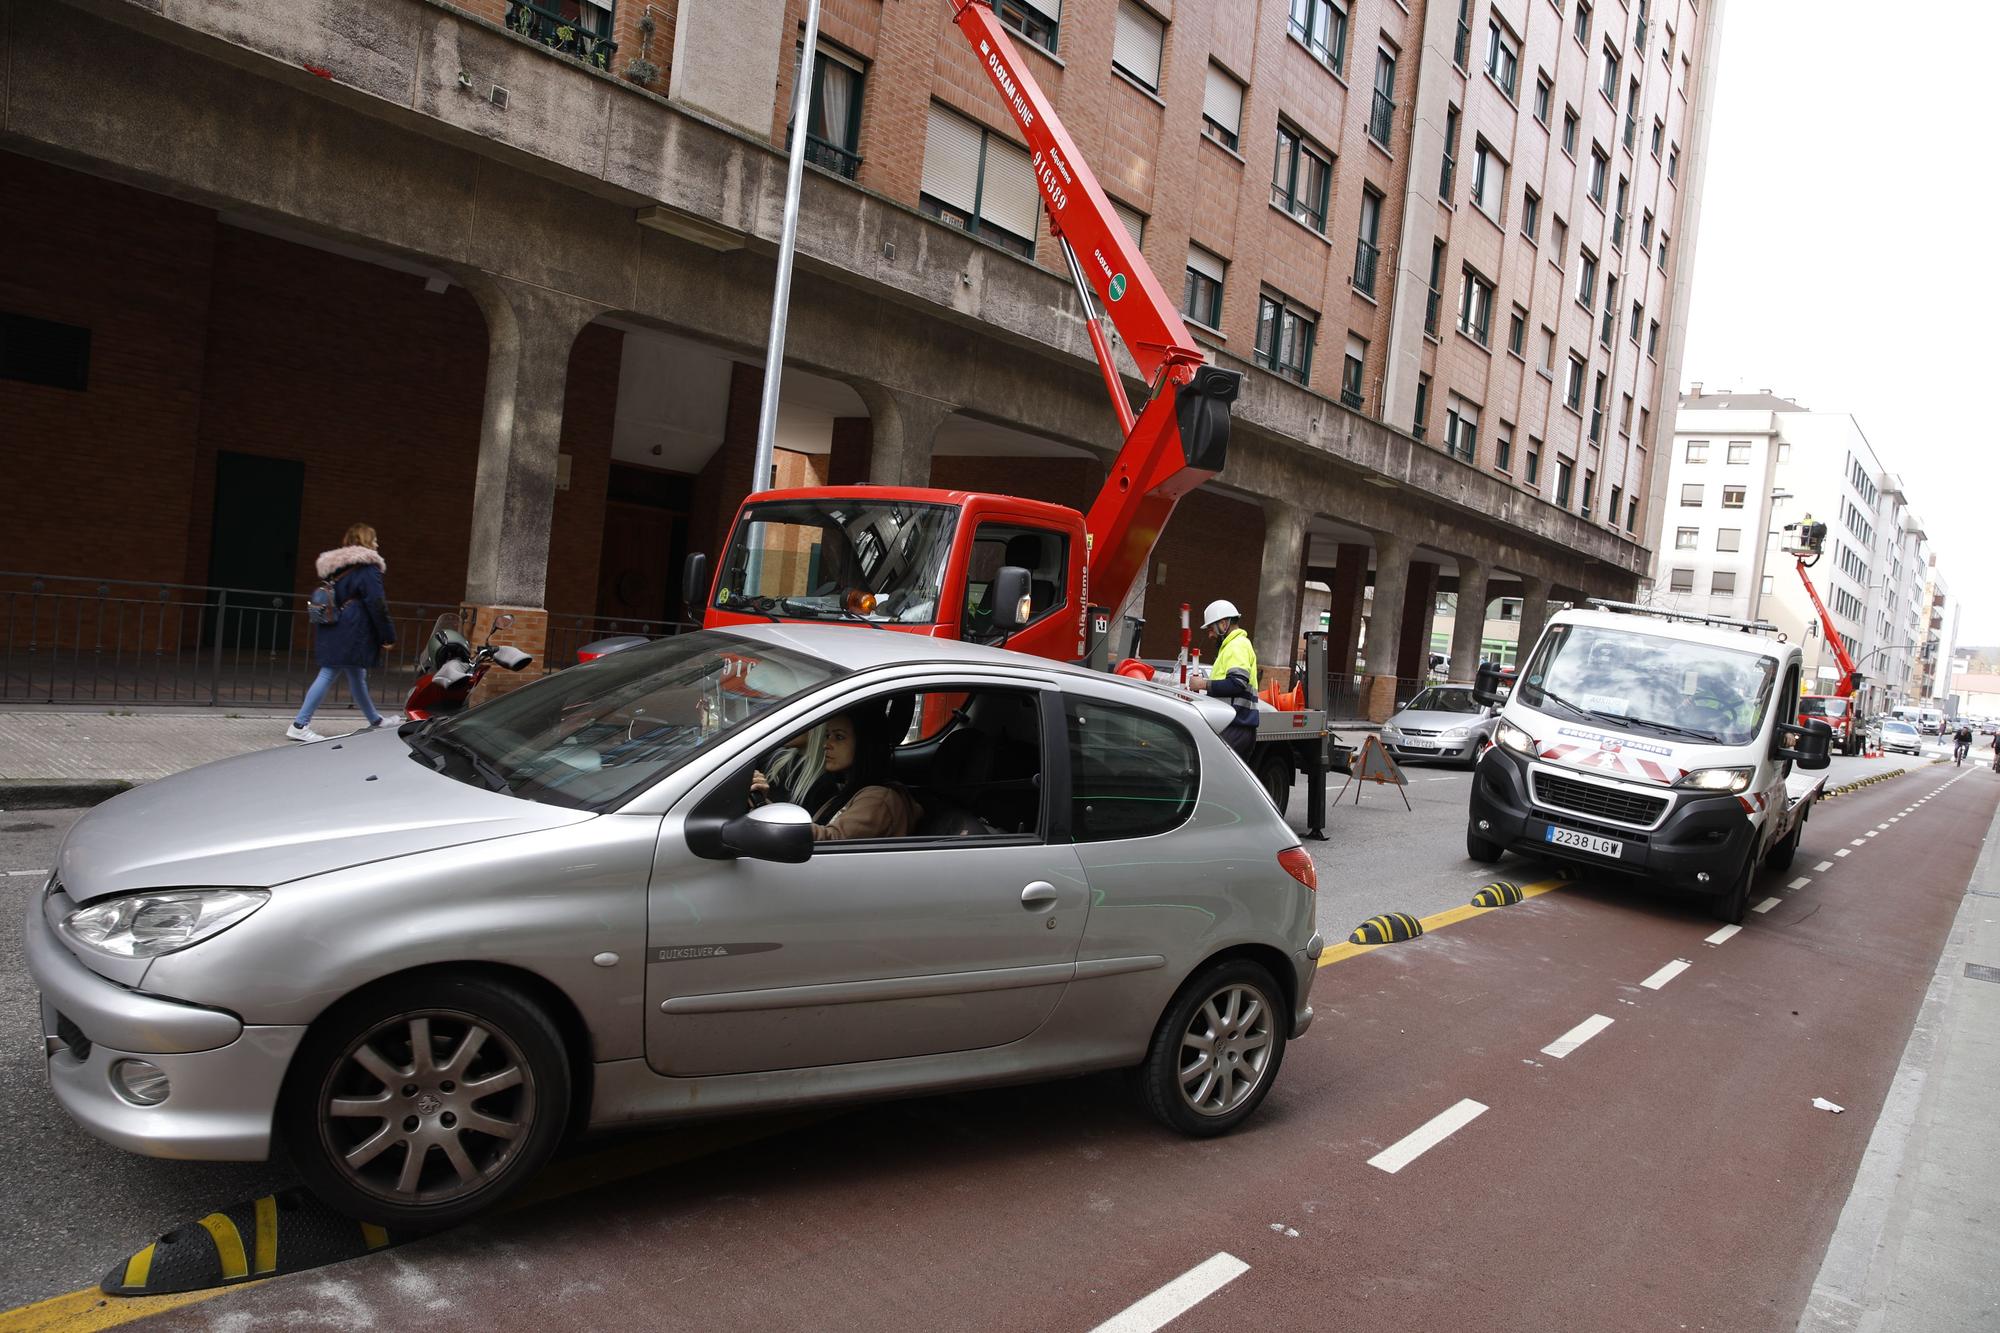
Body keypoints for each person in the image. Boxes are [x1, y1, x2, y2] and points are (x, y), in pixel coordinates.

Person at [288, 524, 397, 741]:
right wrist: (387, 635)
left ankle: (375, 720)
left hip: (336, 625)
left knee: (356, 674)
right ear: (366, 541)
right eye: (374, 539)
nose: (377, 544)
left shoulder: (337, 567)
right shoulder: (368, 568)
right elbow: (377, 603)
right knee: (329, 672)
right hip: (353, 629)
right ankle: (299, 725)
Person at [751, 706, 918, 840]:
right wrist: (763, 804)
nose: (826, 744)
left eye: (839, 737)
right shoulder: (849, 791)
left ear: (865, 743)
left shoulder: (878, 799)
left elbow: (831, 842)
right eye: (827, 736)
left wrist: (767, 813)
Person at [1193, 599, 1259, 763]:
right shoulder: (1233, 646)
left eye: (1210, 628)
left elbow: (1237, 682)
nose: (1210, 635)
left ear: (1223, 624)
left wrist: (1202, 684)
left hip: (1235, 726)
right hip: (1237, 726)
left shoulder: (1236, 645)